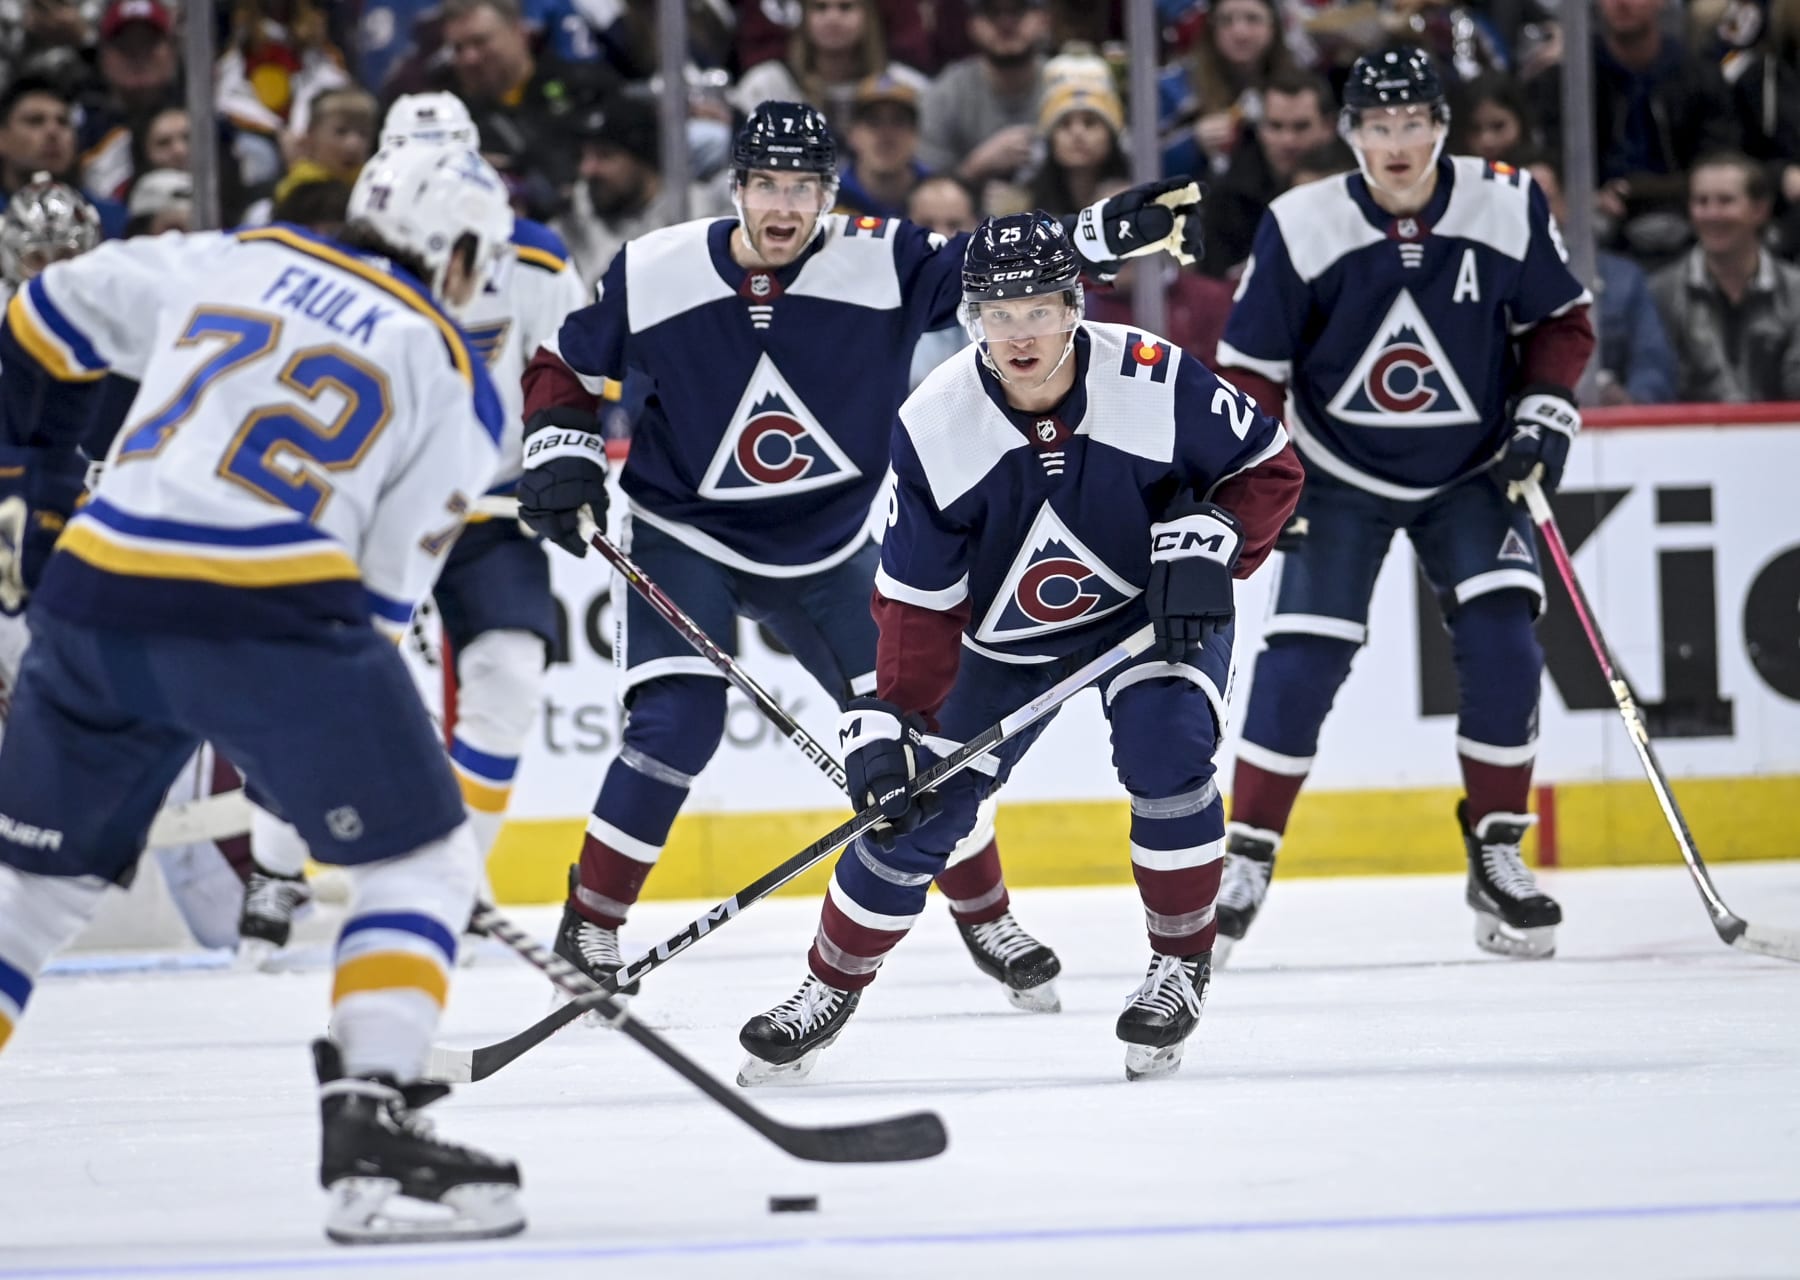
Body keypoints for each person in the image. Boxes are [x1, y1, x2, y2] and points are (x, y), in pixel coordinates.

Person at [517, 101, 1207, 1013]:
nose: (784, 204)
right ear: (737, 189)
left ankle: (985, 914)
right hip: (687, 532)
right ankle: (592, 924)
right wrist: (559, 446)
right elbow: (564, 361)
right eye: (767, 183)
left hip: (831, 544)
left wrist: (1085, 235)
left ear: (830, 193)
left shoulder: (879, 256)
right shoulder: (657, 268)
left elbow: (991, 269)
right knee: (676, 723)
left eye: (804, 186)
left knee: (923, 746)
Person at [0, 143, 526, 1243]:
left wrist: (41, 487)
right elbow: (380, 607)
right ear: (463, 252)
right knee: (419, 859)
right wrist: (343, 779)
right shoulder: (455, 375)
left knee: (30, 895)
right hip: (267, 608)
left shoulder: (235, 256)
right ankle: (371, 1128)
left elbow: (43, 310)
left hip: (97, 591)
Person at [734, 211, 1302, 1086]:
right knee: (920, 809)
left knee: (1169, 751)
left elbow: (1269, 468)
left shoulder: (1151, 376)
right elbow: (918, 601)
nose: (1018, 333)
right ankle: (826, 987)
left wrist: (1218, 534)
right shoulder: (935, 422)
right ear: (971, 321)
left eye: (1036, 309)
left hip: (1150, 614)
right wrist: (896, 720)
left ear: (1074, 306)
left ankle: (1178, 967)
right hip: (1002, 641)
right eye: (996, 314)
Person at [1211, 47, 1595, 962]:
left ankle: (1497, 851)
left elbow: (1561, 321)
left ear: (1441, 128)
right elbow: (1251, 372)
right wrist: (1269, 481)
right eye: (1377, 127)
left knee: (1505, 640)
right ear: (1349, 135)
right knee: (1303, 656)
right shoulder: (1301, 222)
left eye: (1413, 123)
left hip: (1473, 470)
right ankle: (1246, 857)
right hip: (1335, 474)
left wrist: (1544, 414)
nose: (1396, 144)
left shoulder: (1505, 201)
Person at [238, 92, 588, 967]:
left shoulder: (535, 258)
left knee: (506, 679)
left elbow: (568, 371)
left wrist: (561, 453)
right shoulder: (342, 271)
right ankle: (278, 864)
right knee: (334, 688)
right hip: (371, 508)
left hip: (486, 508)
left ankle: (453, 877)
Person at [1650, 151, 1800, 402]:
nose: (1712, 214)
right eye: (1701, 201)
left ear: (1760, 210)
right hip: (1689, 437)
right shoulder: (1661, 292)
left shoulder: (1795, 291)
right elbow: (1657, 384)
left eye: (1725, 201)